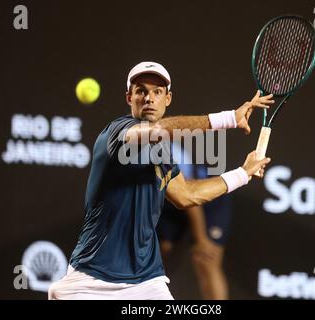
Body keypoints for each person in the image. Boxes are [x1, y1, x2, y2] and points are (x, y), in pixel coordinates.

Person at [48, 61, 274, 300]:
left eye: (157, 92)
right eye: (141, 91)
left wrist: (243, 173)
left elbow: (187, 195)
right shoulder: (117, 132)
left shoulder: (162, 153)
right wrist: (228, 118)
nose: (149, 98)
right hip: (89, 281)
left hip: (146, 282)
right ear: (129, 98)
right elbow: (158, 130)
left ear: (168, 99)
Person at [157, 143, 233, 300]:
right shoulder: (121, 154)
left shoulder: (166, 152)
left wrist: (202, 239)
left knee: (205, 259)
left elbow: (188, 197)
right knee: (154, 256)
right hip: (168, 202)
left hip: (203, 196)